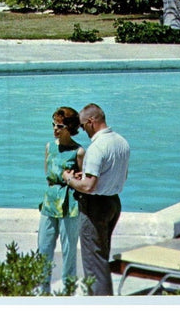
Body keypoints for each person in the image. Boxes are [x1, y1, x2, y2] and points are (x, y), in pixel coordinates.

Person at [62, 103, 129, 296]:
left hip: (95, 207)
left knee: (93, 261)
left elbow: (88, 186)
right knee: (101, 258)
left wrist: (69, 179)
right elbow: (119, 175)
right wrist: (86, 175)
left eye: (83, 126)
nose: (82, 130)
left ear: (91, 122)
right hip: (113, 203)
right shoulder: (121, 142)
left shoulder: (97, 147)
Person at [37, 107, 85, 293]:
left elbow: (83, 180)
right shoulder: (49, 146)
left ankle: (68, 291)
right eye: (53, 125)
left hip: (70, 204)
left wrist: (73, 179)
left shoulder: (79, 151)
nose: (55, 129)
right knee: (44, 247)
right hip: (49, 202)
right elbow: (47, 174)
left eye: (60, 126)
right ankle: (43, 291)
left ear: (70, 128)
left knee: (69, 249)